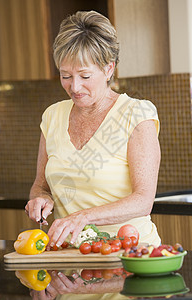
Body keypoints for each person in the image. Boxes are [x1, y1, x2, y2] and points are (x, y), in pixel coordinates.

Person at [25, 10, 161, 249]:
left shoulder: (136, 115)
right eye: (65, 75)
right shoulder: (52, 116)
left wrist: (84, 217)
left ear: (109, 69)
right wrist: (40, 198)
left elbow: (143, 200)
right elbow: (41, 184)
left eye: (85, 75)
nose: (74, 86)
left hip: (130, 256)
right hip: (71, 260)